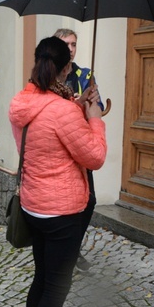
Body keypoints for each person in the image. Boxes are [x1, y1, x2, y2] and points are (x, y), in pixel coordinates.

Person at [8, 36, 106, 307]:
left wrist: (73, 108)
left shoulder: (23, 102)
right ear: (66, 68)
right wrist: (93, 118)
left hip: (34, 205)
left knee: (42, 281)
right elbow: (94, 157)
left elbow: (37, 143)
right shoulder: (62, 110)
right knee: (55, 289)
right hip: (63, 210)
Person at [54, 28, 102, 272]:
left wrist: (90, 102)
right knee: (61, 203)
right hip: (57, 150)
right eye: (65, 45)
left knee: (89, 201)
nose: (70, 49)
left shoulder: (85, 75)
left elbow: (99, 107)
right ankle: (60, 250)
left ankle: (73, 249)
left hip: (81, 147)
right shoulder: (47, 76)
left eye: (73, 44)